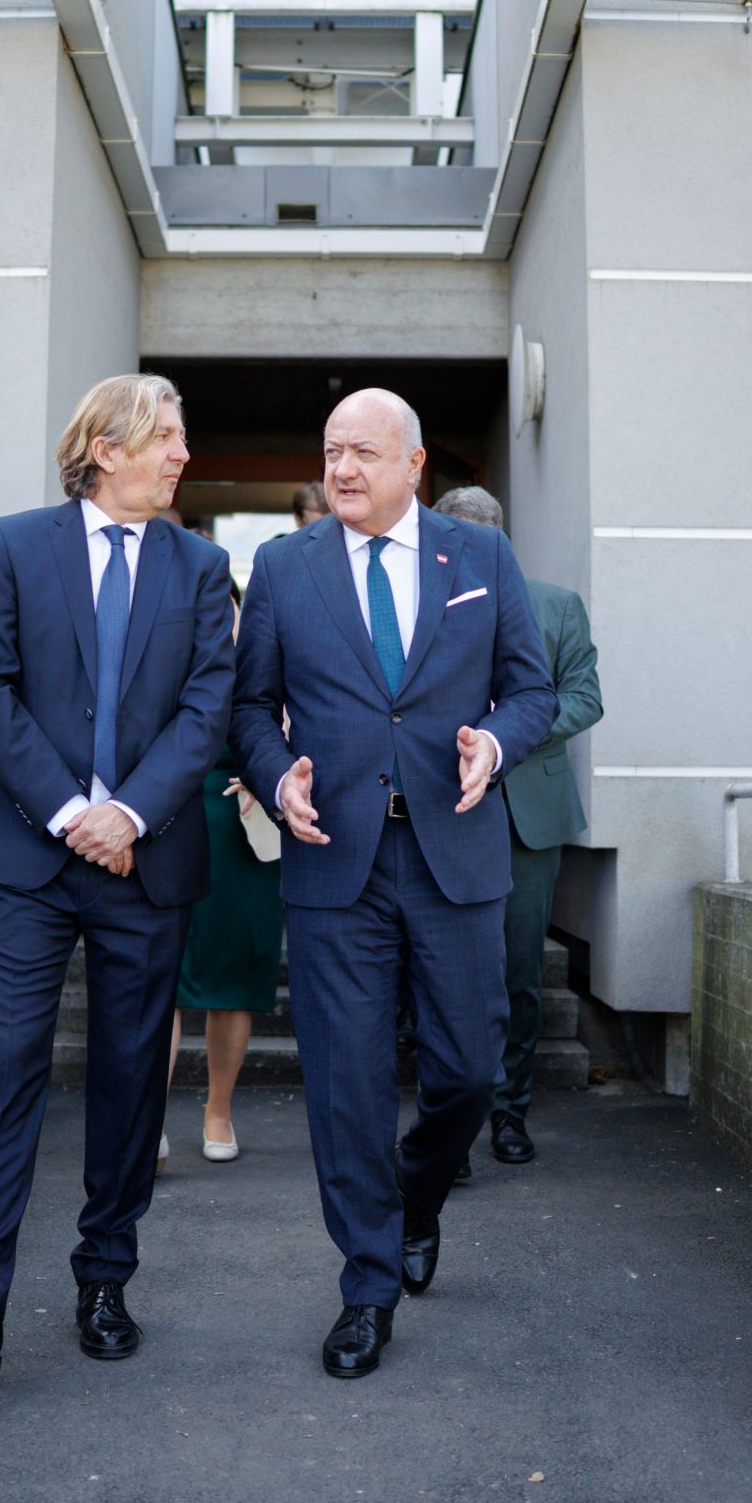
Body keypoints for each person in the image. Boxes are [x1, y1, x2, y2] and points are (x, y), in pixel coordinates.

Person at [0, 373, 233, 1378]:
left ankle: (104, 1279)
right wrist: (69, 813)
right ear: (104, 447)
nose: (180, 454)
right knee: (5, 1071)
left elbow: (207, 705)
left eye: (180, 435)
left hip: (147, 856)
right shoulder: (13, 545)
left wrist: (127, 812)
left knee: (132, 1079)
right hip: (24, 856)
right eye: (164, 436)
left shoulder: (203, 566)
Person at [230, 389, 555, 1379]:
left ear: (414, 465)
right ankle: (366, 1285)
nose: (341, 469)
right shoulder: (285, 567)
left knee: (464, 1067)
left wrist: (491, 744)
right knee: (345, 1084)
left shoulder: (481, 560)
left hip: (451, 849)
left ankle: (414, 1198)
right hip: (336, 856)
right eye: (330, 450)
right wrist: (272, 765)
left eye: (363, 452)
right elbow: (250, 701)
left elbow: (532, 689)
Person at [433, 487, 602, 1166]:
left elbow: (585, 697)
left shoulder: (555, 606)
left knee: (519, 970)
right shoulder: (420, 608)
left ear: (500, 541)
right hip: (443, 807)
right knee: (442, 970)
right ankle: (450, 1125)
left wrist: (506, 738)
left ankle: (509, 1113)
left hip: (530, 811)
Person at [161, 581, 284, 1168]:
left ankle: (219, 1109)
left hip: (242, 823)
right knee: (158, 977)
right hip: (166, 816)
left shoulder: (264, 656)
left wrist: (276, 764)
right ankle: (146, 1121)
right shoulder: (159, 653)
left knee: (233, 979)